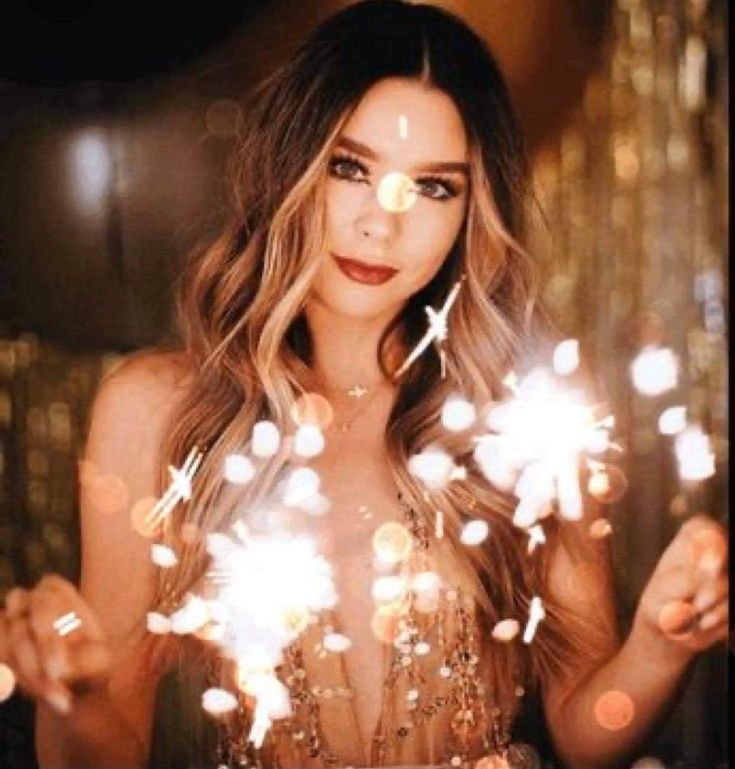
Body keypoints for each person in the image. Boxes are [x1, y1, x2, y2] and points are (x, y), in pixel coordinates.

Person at [0, 1, 728, 768]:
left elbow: (587, 732)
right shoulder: (158, 409)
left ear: (472, 211)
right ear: (290, 165)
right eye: (350, 168)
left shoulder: (522, 407)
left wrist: (658, 639)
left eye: (434, 187)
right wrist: (74, 692)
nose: (383, 222)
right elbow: (108, 751)